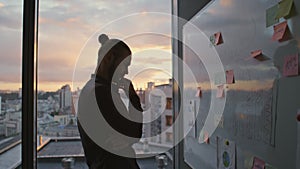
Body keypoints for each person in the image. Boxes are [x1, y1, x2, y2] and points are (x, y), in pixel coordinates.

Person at [77, 34, 143, 169]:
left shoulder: (89, 88)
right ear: (109, 59)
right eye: (125, 64)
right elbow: (135, 132)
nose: (126, 71)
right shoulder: (102, 93)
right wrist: (132, 96)